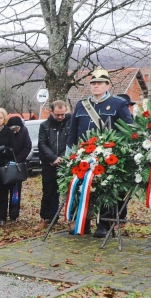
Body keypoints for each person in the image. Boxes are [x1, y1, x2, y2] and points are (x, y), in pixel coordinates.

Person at [68, 68, 134, 238]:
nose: (95, 86)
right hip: (83, 155)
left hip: (107, 155)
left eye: (99, 83)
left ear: (107, 85)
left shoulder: (118, 103)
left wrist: (115, 147)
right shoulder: (81, 105)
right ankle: (84, 222)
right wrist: (70, 151)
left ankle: (104, 224)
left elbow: (128, 129)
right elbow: (73, 131)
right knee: (82, 189)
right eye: (93, 83)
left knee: (105, 189)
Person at [38, 100, 70, 225]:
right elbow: (42, 143)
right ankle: (48, 217)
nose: (61, 117)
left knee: (66, 191)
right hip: (49, 163)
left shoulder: (69, 123)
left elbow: (71, 141)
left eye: (63, 114)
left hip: (66, 162)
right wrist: (52, 158)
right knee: (48, 191)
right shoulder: (44, 125)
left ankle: (67, 217)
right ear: (51, 112)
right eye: (58, 114)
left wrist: (62, 158)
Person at [6, 115, 32, 222]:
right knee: (3, 191)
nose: (15, 132)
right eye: (13, 130)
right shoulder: (6, 132)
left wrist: (18, 159)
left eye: (17, 129)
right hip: (6, 163)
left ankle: (14, 214)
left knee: (16, 190)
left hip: (18, 164)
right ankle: (3, 214)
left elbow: (28, 146)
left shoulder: (24, 131)